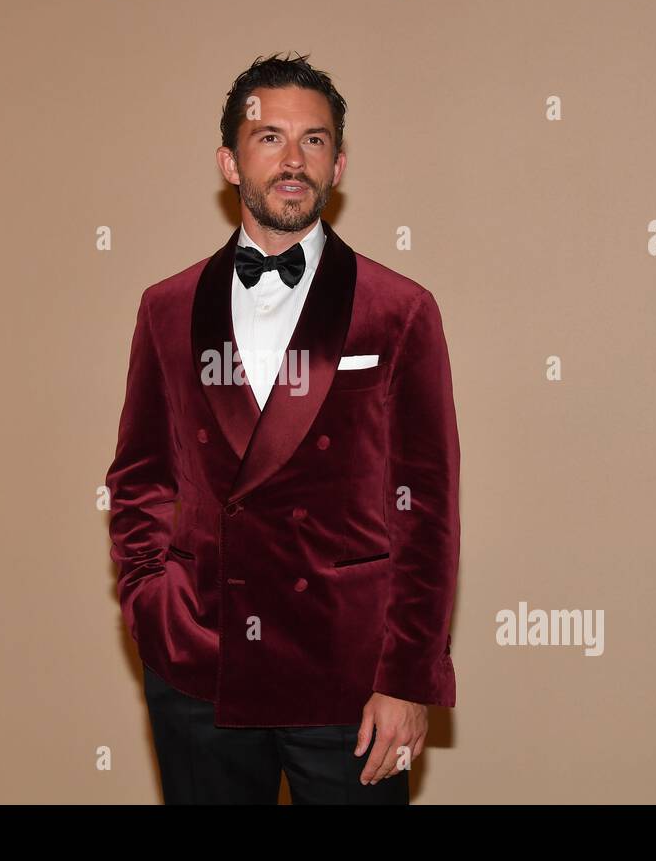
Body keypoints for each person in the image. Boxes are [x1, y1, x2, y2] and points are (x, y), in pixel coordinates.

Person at [105, 52, 460, 804]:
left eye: (315, 140)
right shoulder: (165, 308)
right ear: (230, 162)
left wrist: (406, 678)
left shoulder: (399, 310)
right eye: (270, 138)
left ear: (339, 163)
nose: (293, 160)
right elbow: (139, 476)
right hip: (203, 666)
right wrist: (150, 601)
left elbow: (426, 510)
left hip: (350, 681)